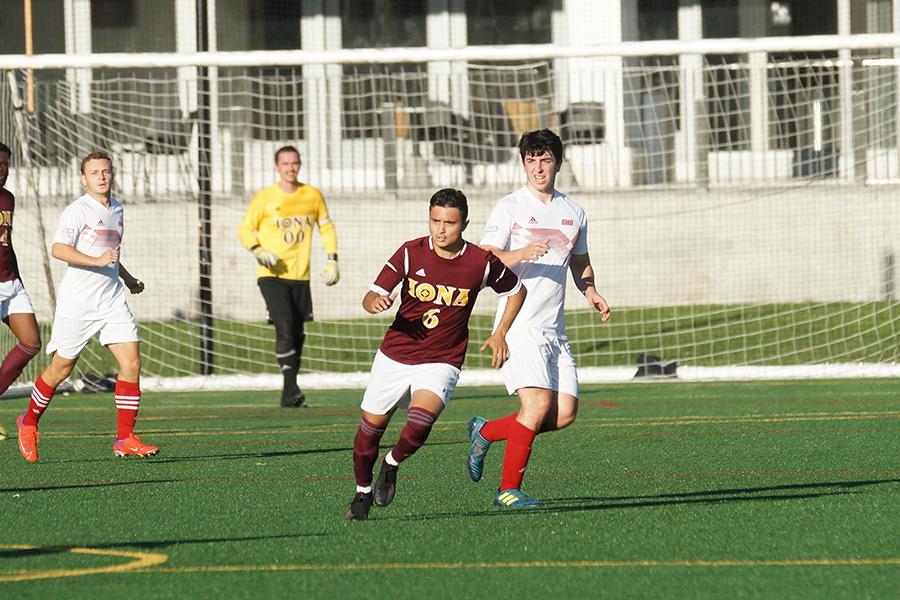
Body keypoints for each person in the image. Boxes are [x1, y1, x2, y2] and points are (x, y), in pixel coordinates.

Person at [346, 188, 526, 521]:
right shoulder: (410, 253)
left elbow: (517, 291)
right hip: (396, 354)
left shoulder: (480, 262)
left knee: (419, 424)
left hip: (442, 358)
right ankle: (362, 492)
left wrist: (500, 332)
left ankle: (392, 463)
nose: (441, 229)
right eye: (435, 220)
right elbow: (371, 296)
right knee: (369, 432)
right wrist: (376, 304)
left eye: (450, 223)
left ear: (465, 223)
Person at [467, 129, 611, 508]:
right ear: (523, 164)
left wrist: (590, 289)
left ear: (558, 163)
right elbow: (486, 259)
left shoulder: (573, 212)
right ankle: (508, 491)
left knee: (563, 414)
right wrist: (523, 253)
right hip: (520, 325)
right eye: (531, 160)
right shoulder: (510, 207)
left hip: (555, 330)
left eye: (545, 159)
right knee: (536, 408)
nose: (538, 167)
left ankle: (486, 432)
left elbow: (579, 261)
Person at [15, 150, 156, 463]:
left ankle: (125, 438)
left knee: (131, 363)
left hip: (112, 299)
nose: (101, 177)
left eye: (105, 171)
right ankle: (28, 421)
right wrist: (95, 260)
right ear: (84, 178)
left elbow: (111, 255)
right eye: (94, 173)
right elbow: (59, 249)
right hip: (78, 302)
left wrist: (129, 279)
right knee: (61, 369)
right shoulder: (76, 211)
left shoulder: (117, 209)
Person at [238, 145, 338, 408]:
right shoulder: (265, 197)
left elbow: (326, 227)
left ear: (300, 165)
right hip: (271, 275)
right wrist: (257, 249)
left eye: (295, 163)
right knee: (284, 323)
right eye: (285, 164)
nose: (290, 168)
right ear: (276, 166)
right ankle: (291, 388)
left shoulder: (312, 195)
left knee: (297, 330)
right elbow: (245, 229)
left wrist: (332, 259)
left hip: (300, 276)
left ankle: (289, 391)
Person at [0, 143, 42, 405]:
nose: (1, 171)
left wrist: (17, 278)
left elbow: (7, 242)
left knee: (31, 342)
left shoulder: (7, 198)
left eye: (5, 166)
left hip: (11, 283)